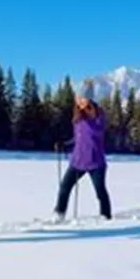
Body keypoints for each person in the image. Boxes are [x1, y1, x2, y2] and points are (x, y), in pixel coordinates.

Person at [52, 84, 112, 222]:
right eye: (77, 97)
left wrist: (90, 114)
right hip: (77, 161)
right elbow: (78, 139)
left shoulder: (99, 116)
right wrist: (65, 144)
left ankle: (106, 216)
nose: (79, 101)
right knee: (64, 187)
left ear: (90, 99)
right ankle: (59, 213)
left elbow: (97, 132)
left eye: (83, 98)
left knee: (100, 191)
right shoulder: (77, 117)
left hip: (95, 162)